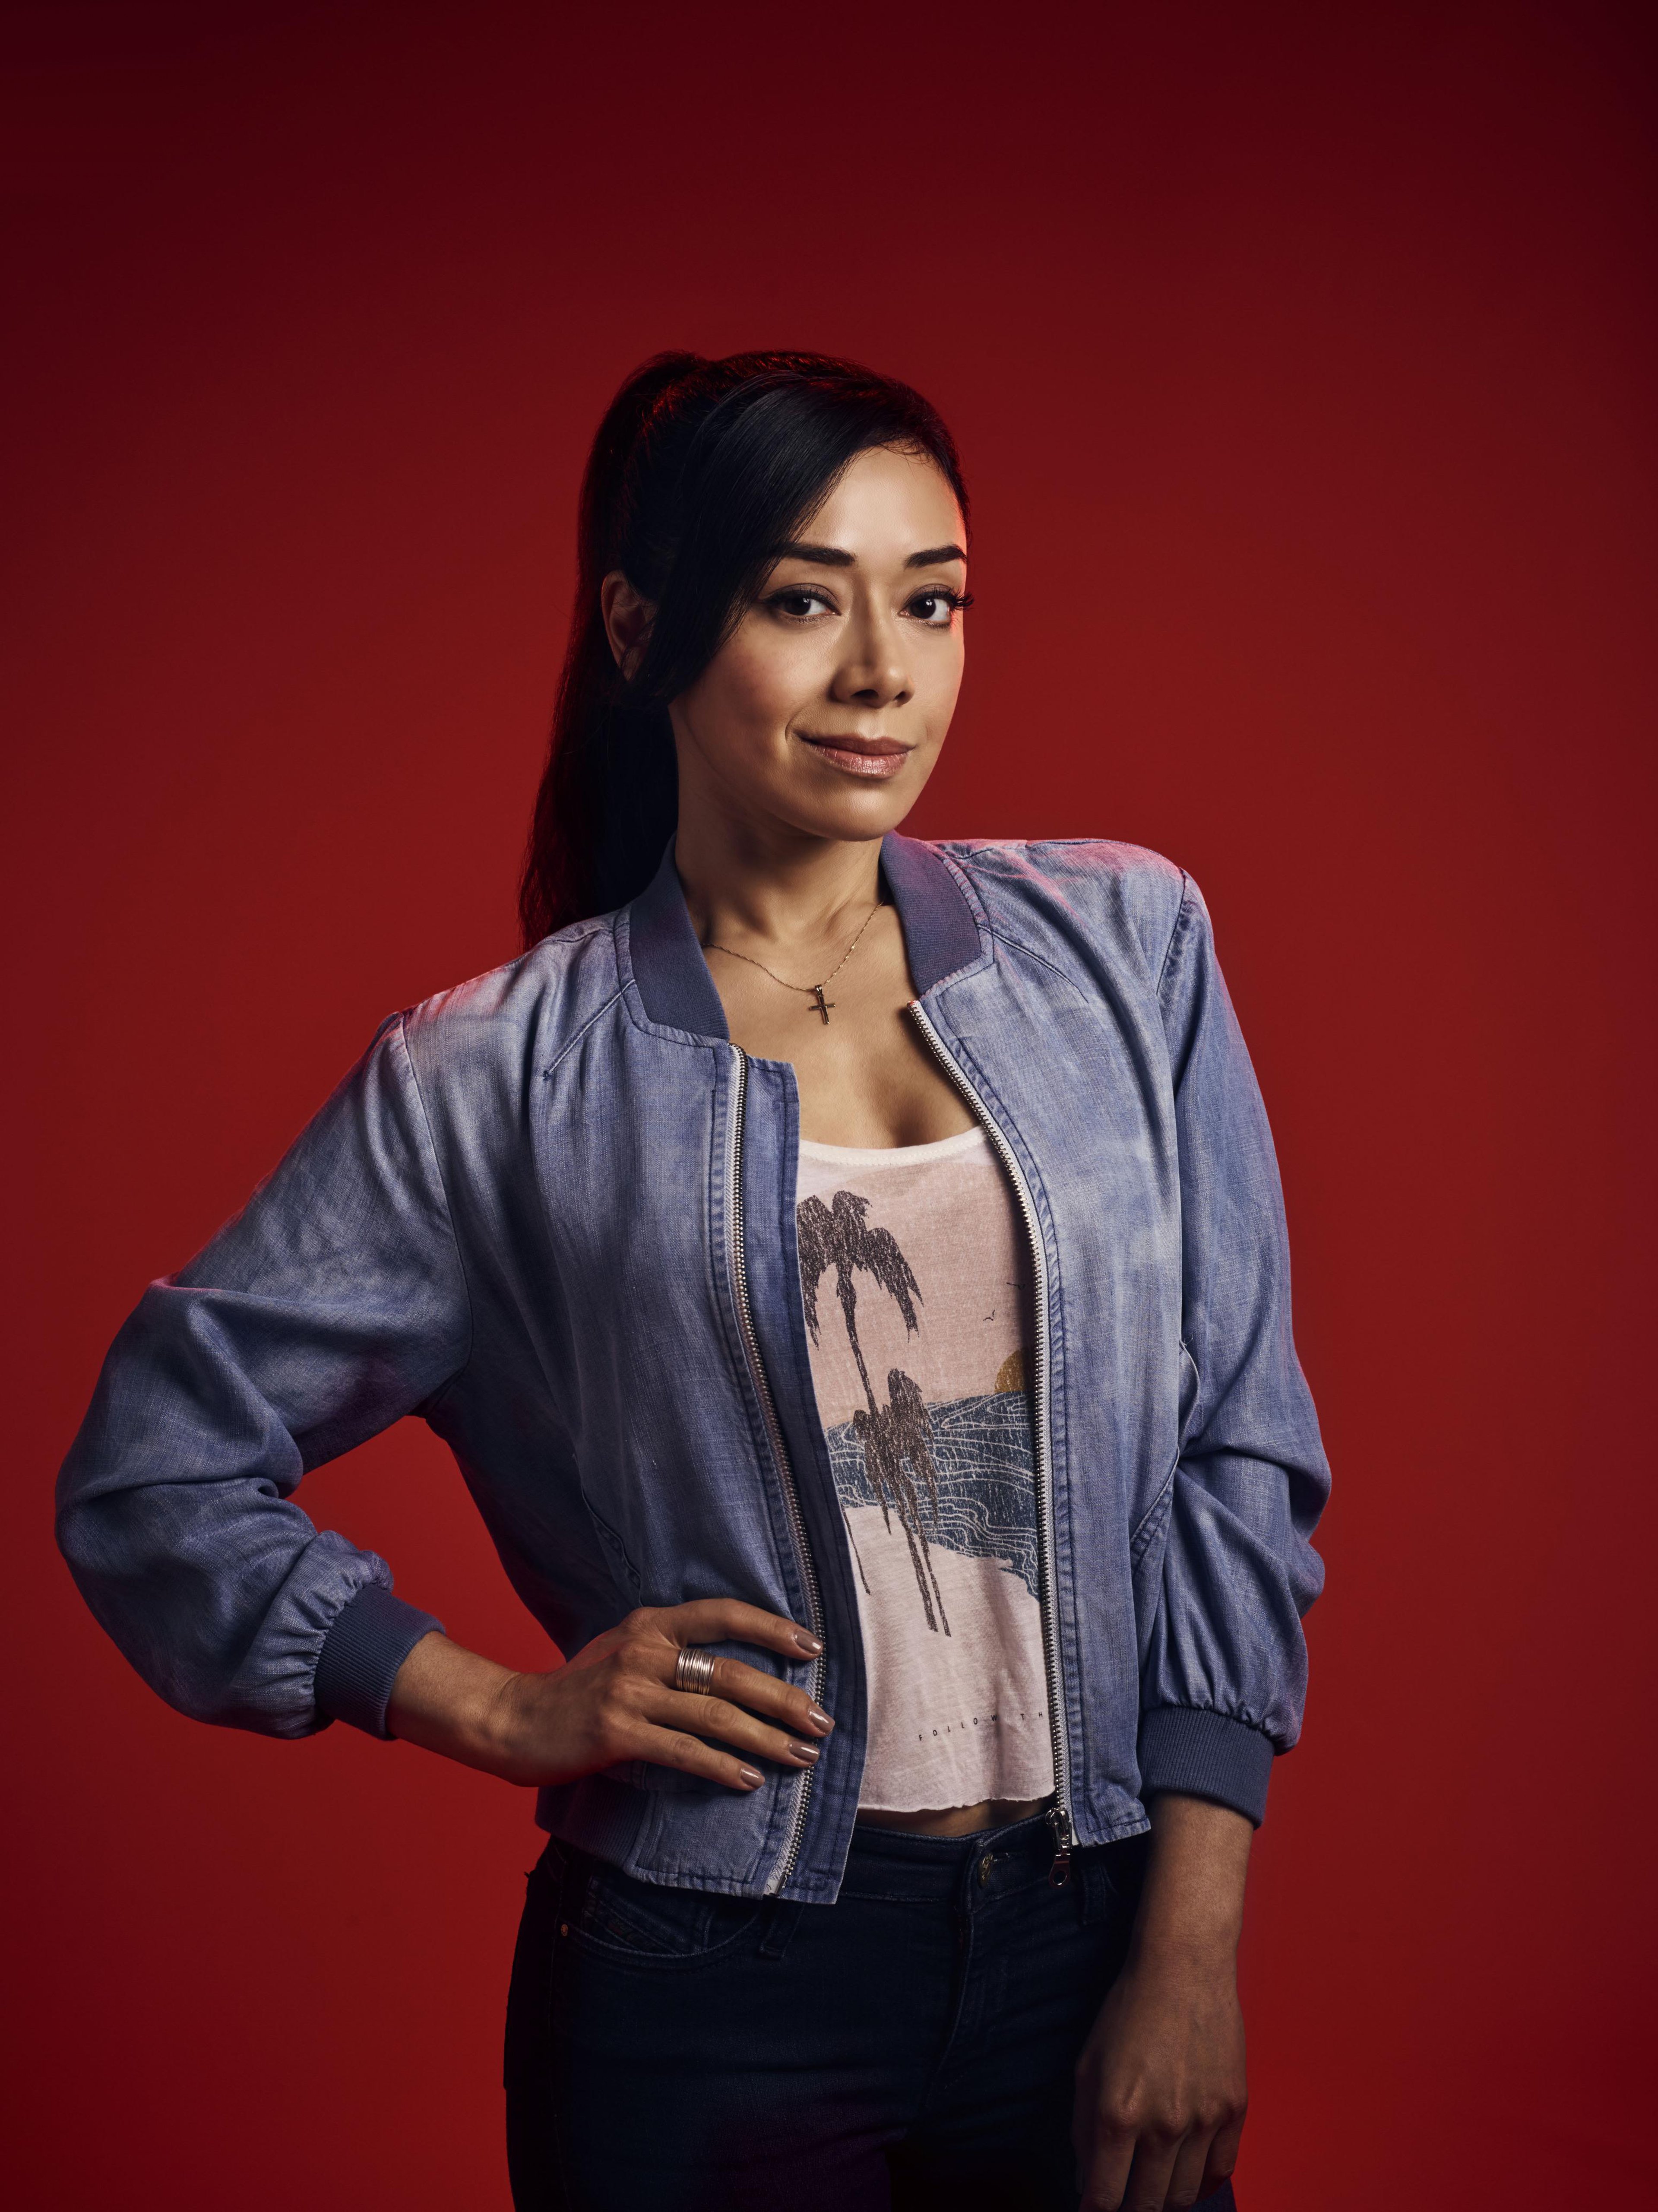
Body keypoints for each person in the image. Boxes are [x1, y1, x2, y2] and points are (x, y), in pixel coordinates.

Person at [57, 351, 1329, 2212]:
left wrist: (1189, 1947)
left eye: (936, 599)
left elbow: (1241, 1443)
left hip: (1096, 1931)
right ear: (646, 626)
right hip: (701, 1993)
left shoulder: (1128, 948)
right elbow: (155, 1471)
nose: (884, 672)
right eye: (803, 599)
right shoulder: (497, 1075)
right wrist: (489, 1705)